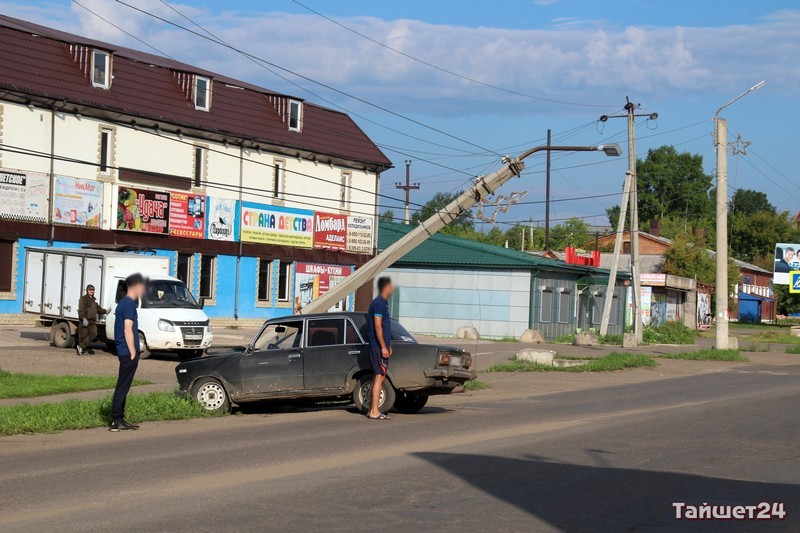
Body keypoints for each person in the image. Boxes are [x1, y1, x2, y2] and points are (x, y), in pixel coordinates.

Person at [110, 273, 146, 432]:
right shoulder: (129, 304)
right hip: (127, 351)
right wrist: (133, 351)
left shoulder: (122, 303)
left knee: (123, 385)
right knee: (123, 386)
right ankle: (116, 420)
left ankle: (119, 419)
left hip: (123, 350)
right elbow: (127, 329)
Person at [365, 276, 394, 420]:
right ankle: (374, 411)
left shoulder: (382, 303)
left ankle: (372, 410)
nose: (392, 289)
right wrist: (383, 346)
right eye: (390, 286)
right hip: (377, 347)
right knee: (379, 376)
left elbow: (384, 327)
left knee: (379, 376)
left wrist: (388, 345)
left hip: (381, 346)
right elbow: (378, 326)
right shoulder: (378, 304)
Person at [77, 284, 106, 356]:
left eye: (93, 290)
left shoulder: (93, 300)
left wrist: (106, 311)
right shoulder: (83, 299)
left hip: (92, 321)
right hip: (85, 321)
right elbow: (81, 310)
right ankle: (83, 350)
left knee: (94, 334)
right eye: (90, 290)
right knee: (84, 336)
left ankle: (81, 347)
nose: (92, 291)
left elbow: (99, 309)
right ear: (87, 291)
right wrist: (83, 318)